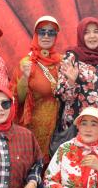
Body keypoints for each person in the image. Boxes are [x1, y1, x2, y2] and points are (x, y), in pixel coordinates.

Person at [56, 17, 98, 144]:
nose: (92, 36)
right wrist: (71, 82)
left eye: (96, 31)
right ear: (80, 35)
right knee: (78, 161)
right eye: (86, 32)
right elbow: (62, 96)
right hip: (78, 125)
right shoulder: (72, 57)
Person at [15, 16, 63, 163]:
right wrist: (24, 77)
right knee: (33, 164)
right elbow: (19, 98)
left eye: (51, 32)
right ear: (36, 35)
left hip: (57, 126)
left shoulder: (61, 61)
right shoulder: (26, 62)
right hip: (34, 127)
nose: (46, 36)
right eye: (42, 32)